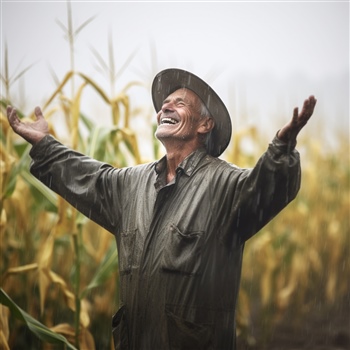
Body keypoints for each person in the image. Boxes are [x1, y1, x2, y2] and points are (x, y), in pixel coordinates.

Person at [7, 68, 317, 350]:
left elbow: (265, 190)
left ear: (206, 124)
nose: (165, 107)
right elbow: (89, 178)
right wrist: (44, 144)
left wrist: (280, 148)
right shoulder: (132, 184)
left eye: (179, 103)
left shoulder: (225, 186)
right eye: (164, 103)